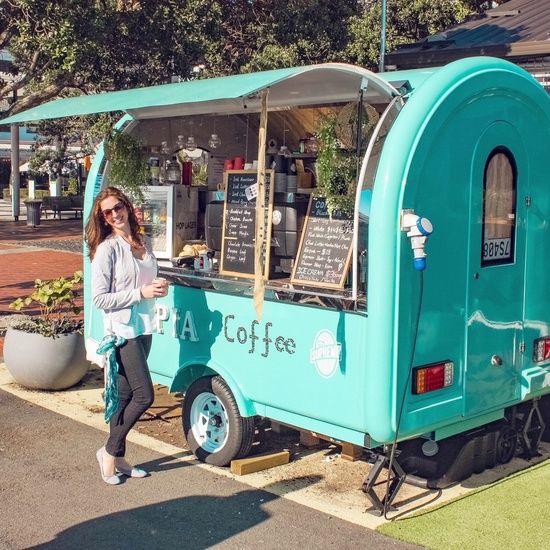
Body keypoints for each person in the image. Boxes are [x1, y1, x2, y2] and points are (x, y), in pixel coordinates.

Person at [85, 186, 168, 485]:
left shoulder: (142, 242)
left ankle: (118, 458)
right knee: (144, 395)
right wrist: (140, 293)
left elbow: (146, 281)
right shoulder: (108, 249)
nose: (115, 214)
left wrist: (157, 287)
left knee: (123, 397)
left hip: (144, 327)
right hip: (123, 331)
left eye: (118, 207)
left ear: (127, 207)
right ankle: (108, 451)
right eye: (107, 212)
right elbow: (100, 299)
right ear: (104, 219)